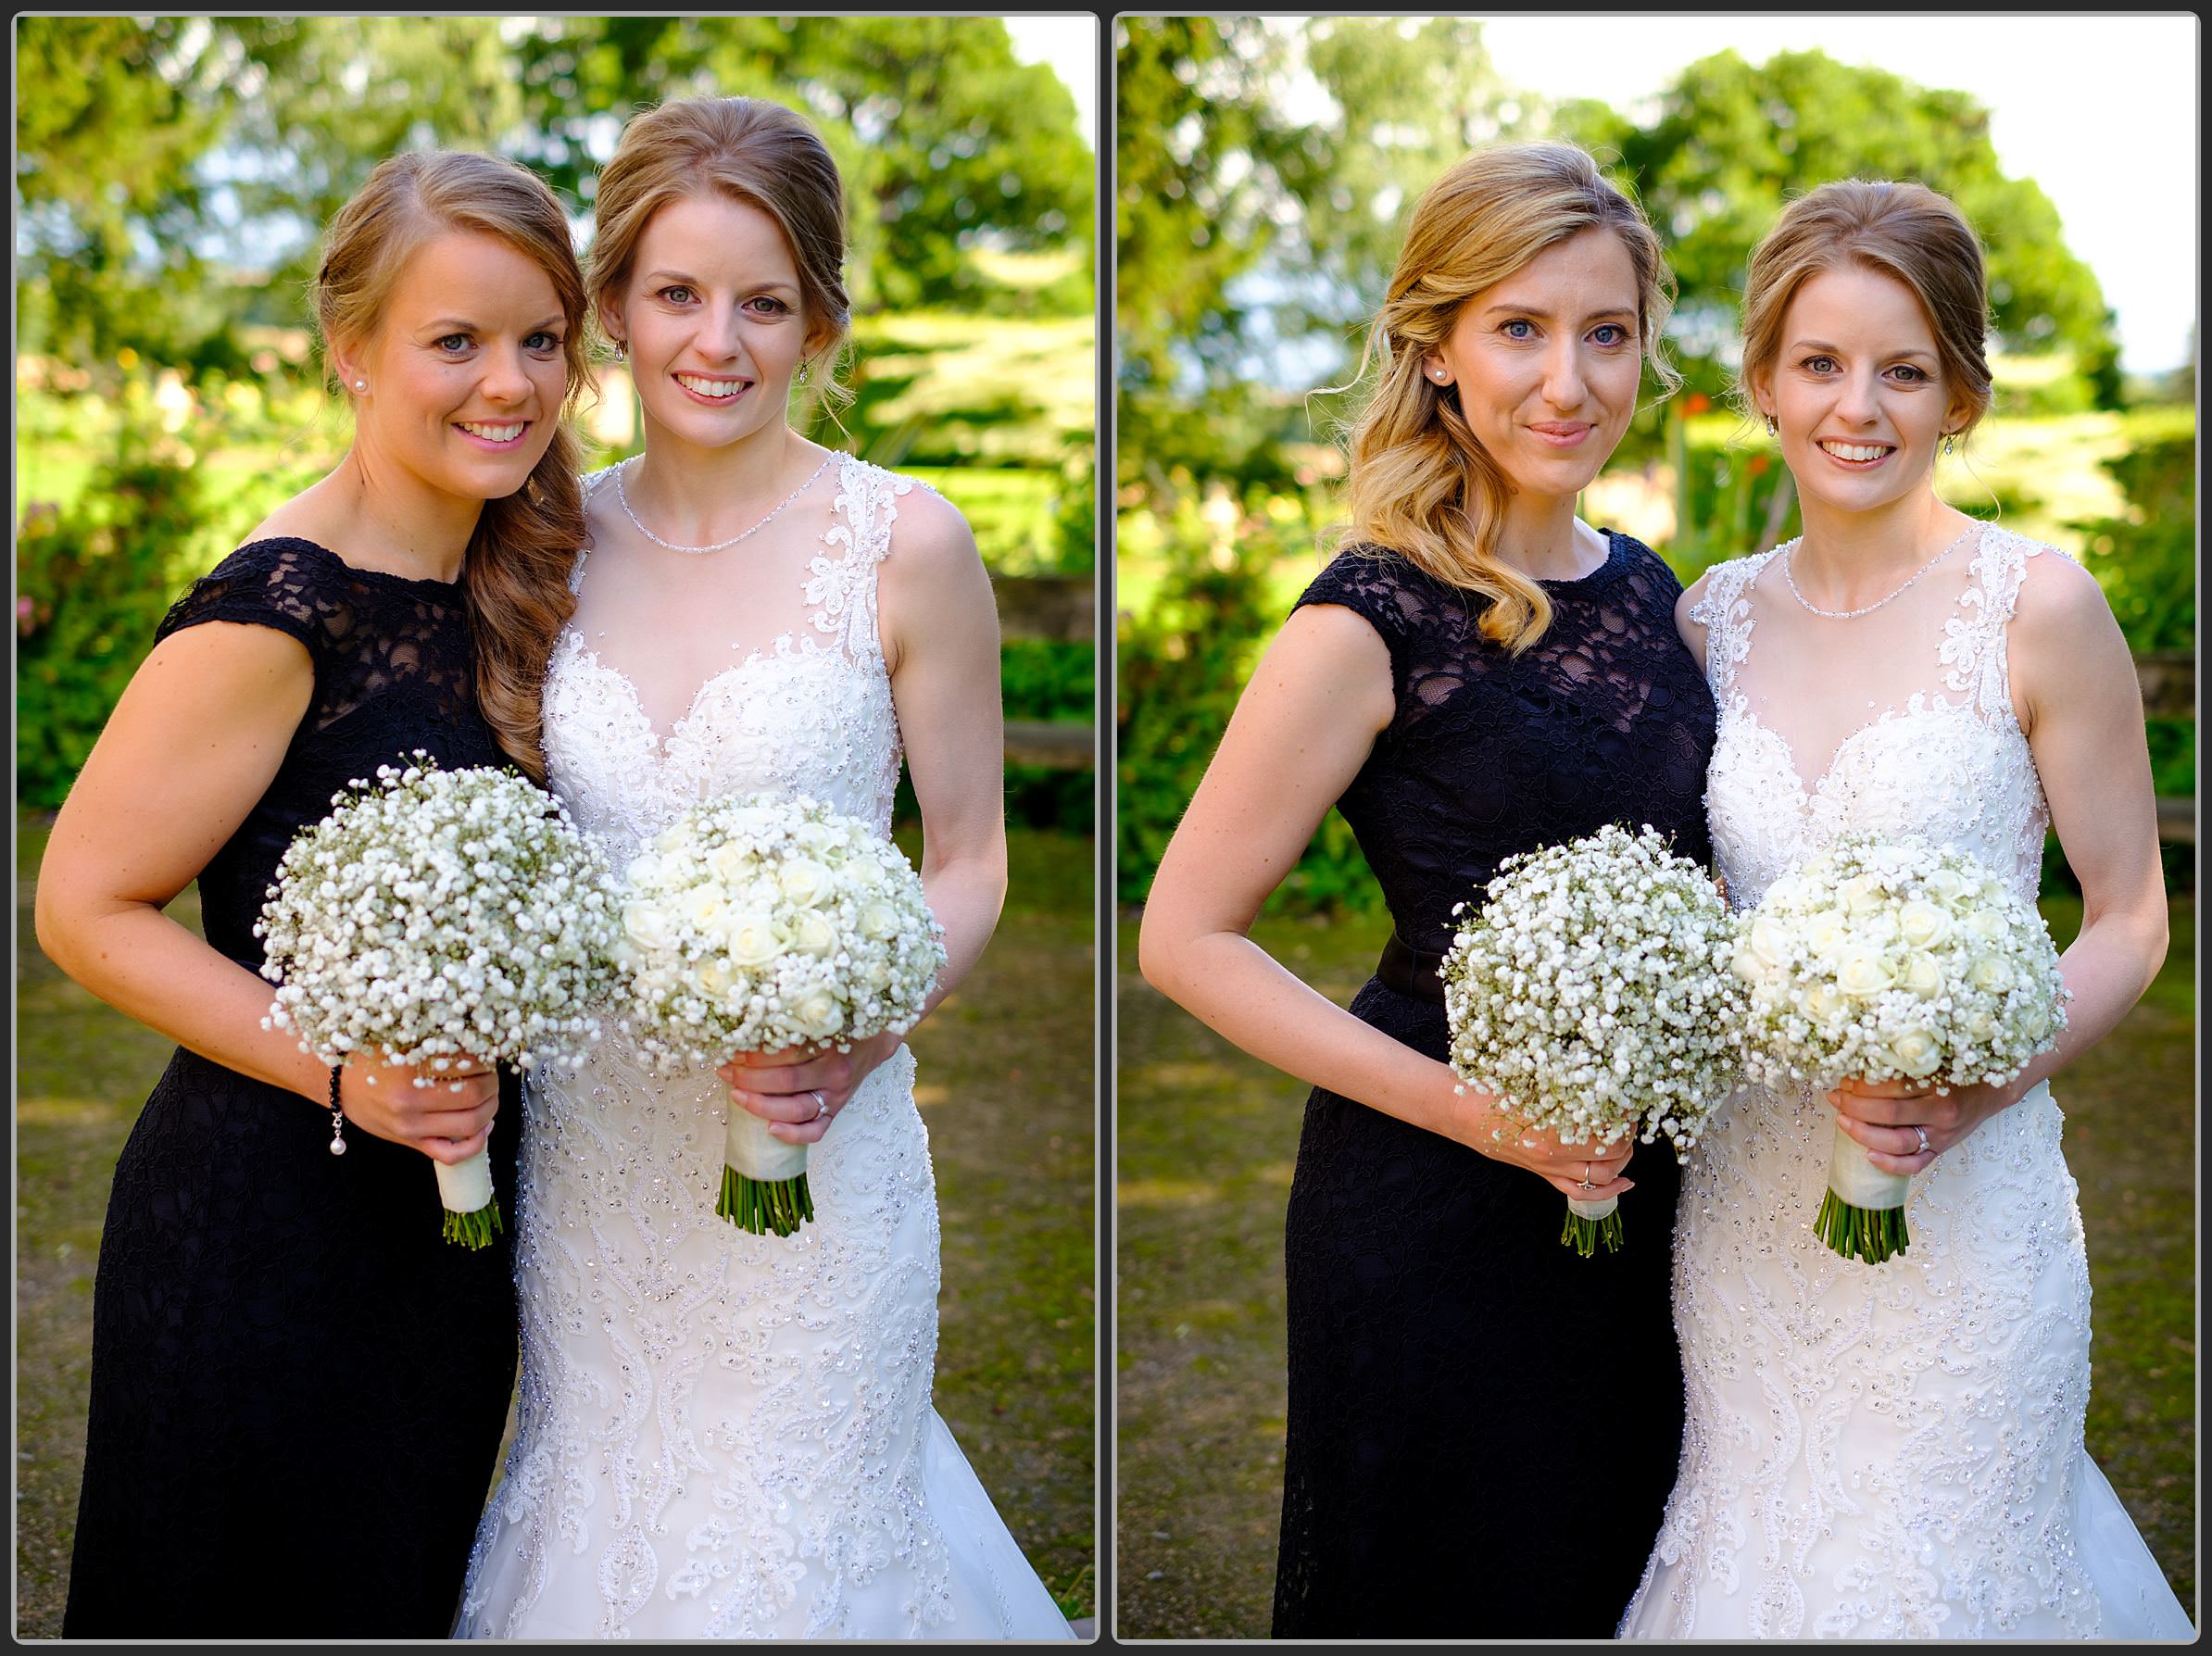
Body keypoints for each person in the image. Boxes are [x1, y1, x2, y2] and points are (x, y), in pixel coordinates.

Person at [451, 94, 1073, 1640]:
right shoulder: (534, 550)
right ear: (610, 310)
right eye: (674, 294)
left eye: (763, 300)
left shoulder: (903, 543)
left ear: (820, 323)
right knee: (605, 1505)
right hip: (594, 1165)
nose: (714, 340)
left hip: (823, 1133)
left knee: (807, 1537)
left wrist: (863, 1034)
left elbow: (972, 861)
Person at [1137, 141, 1714, 1637]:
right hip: (1432, 1202)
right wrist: (1492, 1120)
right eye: (1519, 330)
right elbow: (1185, 937)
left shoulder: (1657, 595)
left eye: (1606, 333)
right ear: (1438, 351)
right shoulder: (1368, 614)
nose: (1568, 381)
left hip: (1652, 1206)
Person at [1618, 179, 2193, 1639]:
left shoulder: (2039, 606)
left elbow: (2129, 916)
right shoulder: (1708, 619)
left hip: (1973, 1213)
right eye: (1819, 363)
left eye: (1903, 367)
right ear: (1761, 379)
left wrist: (1979, 1088)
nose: (1855, 407)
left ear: (1960, 395)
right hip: (1749, 1215)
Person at [39, 151, 590, 1636]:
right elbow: (83, 907)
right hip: (265, 1232)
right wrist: (344, 1069)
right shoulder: (278, 608)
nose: (511, 384)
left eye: (542, 338)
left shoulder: (524, 574)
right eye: (456, 340)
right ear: (352, 351)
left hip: (447, 1254)